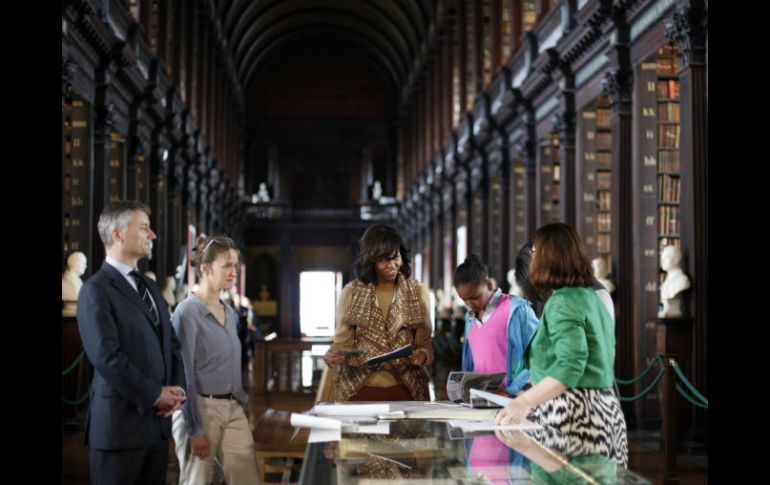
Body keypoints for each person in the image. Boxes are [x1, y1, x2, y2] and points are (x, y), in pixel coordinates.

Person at [495, 223, 627, 467]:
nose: (531, 258)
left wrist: (523, 402)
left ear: (550, 256)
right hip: (603, 412)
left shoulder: (563, 301)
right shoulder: (589, 296)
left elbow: (570, 366)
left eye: (535, 252)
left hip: (577, 418)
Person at [77, 200, 186, 485]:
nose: (153, 235)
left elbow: (171, 345)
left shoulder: (149, 287)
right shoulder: (95, 290)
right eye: (145, 228)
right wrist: (154, 394)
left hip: (156, 427)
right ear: (117, 234)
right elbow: (106, 357)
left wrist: (176, 391)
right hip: (119, 429)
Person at [171, 235, 259, 485]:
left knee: (247, 478)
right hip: (200, 409)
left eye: (236, 265)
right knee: (196, 480)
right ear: (206, 269)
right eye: (227, 266)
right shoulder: (187, 312)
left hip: (232, 408)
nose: (234, 272)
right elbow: (183, 372)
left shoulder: (229, 312)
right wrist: (195, 429)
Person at [323, 223, 435, 401]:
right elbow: (342, 345)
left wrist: (422, 356)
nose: (392, 265)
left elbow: (426, 346)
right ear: (371, 260)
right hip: (359, 390)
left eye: (395, 257)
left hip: (407, 389)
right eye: (384, 260)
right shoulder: (351, 293)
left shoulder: (417, 292)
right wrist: (335, 355)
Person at [454, 254, 539, 396]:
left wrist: (512, 390)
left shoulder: (517, 310)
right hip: (480, 401)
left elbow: (539, 356)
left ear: (488, 285)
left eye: (475, 297)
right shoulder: (469, 320)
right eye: (464, 300)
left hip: (514, 400)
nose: (470, 304)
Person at [658, 245, 691, 318]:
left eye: (666, 257)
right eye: (662, 257)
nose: (662, 260)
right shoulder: (665, 283)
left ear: (676, 259)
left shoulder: (682, 280)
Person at [62, 251, 87, 316]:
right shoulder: (68, 281)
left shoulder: (77, 280)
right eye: (83, 263)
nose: (85, 266)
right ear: (74, 263)